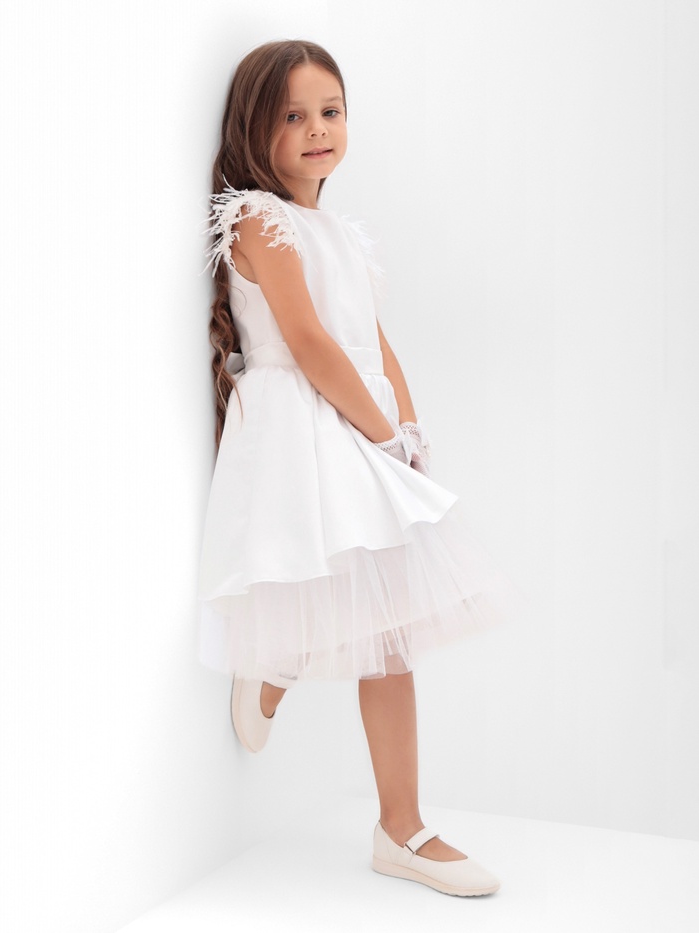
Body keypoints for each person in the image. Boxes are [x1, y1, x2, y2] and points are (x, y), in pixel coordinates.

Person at [197, 38, 524, 897]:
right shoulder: (257, 218)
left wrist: (407, 427)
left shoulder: (343, 234)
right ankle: (274, 665)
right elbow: (307, 342)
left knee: (390, 619)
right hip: (305, 426)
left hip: (355, 420)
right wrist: (379, 434)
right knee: (339, 579)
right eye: (293, 115)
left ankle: (400, 826)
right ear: (254, 128)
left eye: (330, 112)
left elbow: (373, 344)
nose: (317, 129)